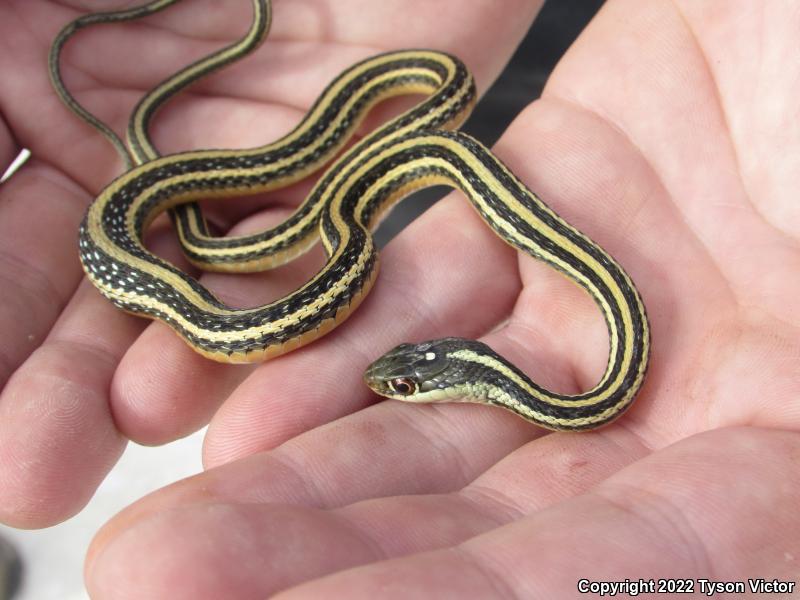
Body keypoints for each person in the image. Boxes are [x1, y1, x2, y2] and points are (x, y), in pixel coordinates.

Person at [0, 0, 798, 597]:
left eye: (411, 384)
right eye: (410, 380)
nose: (397, 384)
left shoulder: (575, 393)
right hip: (183, 239)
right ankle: (197, 219)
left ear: (474, 376)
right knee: (246, 245)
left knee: (303, 227)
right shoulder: (363, 220)